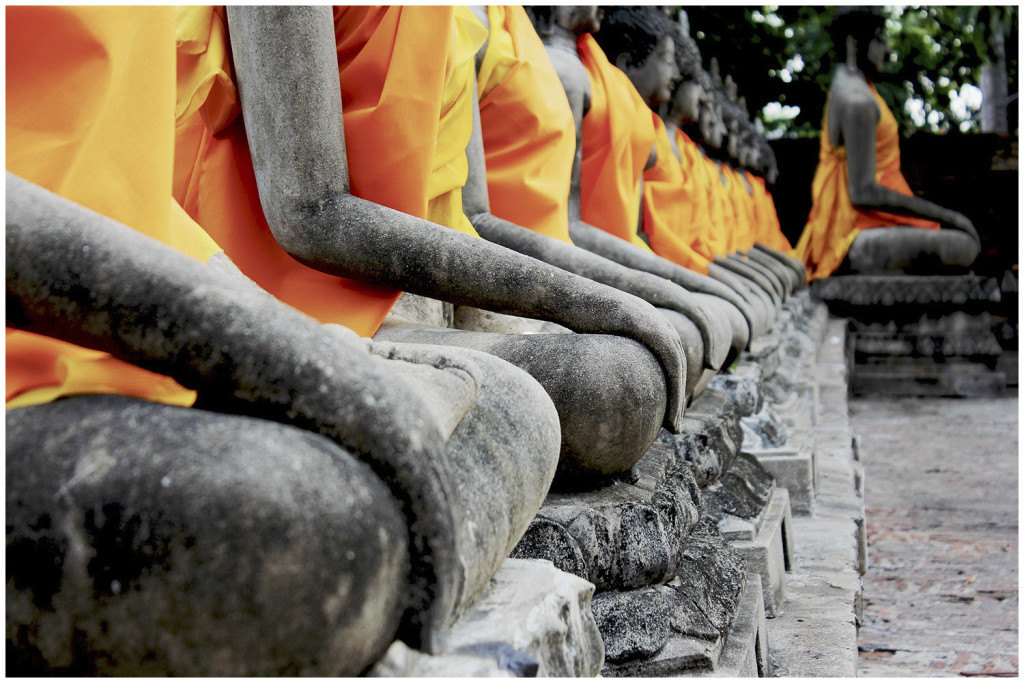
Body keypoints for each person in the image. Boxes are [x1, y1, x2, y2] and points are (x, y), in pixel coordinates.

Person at [7, 6, 563, 673]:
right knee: (306, 526)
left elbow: (471, 214)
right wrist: (299, 361)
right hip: (47, 344)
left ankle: (386, 590)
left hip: (174, 296)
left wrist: (306, 353)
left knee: (524, 408)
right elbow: (312, 211)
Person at [794, 6, 980, 280]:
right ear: (854, 42)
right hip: (850, 236)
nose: (887, 49)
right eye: (880, 39)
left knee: (957, 242)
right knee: (963, 246)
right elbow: (863, 192)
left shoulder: (849, 86)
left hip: (862, 228)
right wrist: (949, 216)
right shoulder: (856, 99)